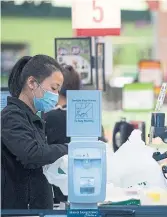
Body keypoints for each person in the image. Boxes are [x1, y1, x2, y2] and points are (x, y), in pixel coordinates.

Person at [1, 55, 68, 209]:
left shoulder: (32, 119)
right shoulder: (11, 117)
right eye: (53, 88)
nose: (56, 96)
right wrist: (69, 149)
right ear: (32, 83)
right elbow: (33, 154)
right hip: (22, 210)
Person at [44, 64, 107, 203]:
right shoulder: (91, 116)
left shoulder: (50, 117)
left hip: (56, 195)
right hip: (90, 191)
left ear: (56, 87)